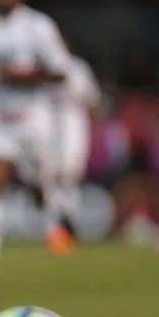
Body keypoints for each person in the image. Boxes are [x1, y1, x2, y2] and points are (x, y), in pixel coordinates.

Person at [0, 0, 71, 299]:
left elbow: (60, 71)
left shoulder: (39, 26)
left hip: (32, 118)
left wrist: (19, 76)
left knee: (38, 185)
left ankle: (54, 217)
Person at [43, 53, 101, 249]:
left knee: (70, 174)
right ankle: (55, 227)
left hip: (72, 124)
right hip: (47, 124)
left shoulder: (77, 67)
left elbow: (92, 97)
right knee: (49, 176)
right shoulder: (41, 64)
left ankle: (67, 222)